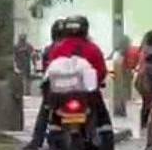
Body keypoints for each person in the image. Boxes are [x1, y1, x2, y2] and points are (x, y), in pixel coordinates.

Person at [46, 16, 114, 150]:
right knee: (104, 124)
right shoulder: (93, 49)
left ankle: (42, 137)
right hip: (88, 98)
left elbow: (49, 73)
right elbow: (101, 72)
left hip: (60, 98)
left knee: (50, 116)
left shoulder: (57, 50)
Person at [22, 19, 65, 150]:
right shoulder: (77, 48)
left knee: (45, 111)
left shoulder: (49, 50)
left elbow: (46, 73)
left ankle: (37, 140)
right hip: (73, 91)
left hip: (56, 92)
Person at [135, 30, 152, 131]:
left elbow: (140, 65)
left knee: (146, 102)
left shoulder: (143, 49)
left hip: (140, 79)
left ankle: (144, 123)